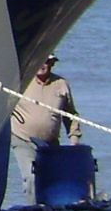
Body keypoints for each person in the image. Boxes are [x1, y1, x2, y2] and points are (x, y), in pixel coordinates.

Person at [10, 53, 81, 200]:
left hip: (50, 143)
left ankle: (48, 209)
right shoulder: (22, 81)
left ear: (52, 63)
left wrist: (74, 139)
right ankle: (33, 209)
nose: (42, 65)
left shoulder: (61, 84)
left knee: (51, 179)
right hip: (23, 139)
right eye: (39, 60)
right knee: (31, 177)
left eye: (46, 61)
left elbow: (70, 114)